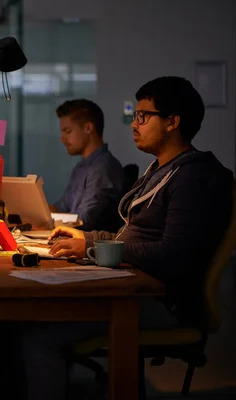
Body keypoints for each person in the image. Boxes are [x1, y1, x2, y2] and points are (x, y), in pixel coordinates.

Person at [23, 77, 233, 399]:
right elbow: (130, 234)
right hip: (130, 285)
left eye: (143, 116)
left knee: (38, 335)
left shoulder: (193, 176)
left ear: (172, 122)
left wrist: (92, 246)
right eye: (134, 116)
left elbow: (173, 253)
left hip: (157, 300)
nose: (134, 124)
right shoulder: (161, 169)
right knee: (34, 310)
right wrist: (86, 236)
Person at [50, 99, 124, 231]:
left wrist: (46, 219)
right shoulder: (81, 168)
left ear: (88, 128)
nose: (62, 139)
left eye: (67, 131)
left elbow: (84, 220)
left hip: (89, 245)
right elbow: (61, 207)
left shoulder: (104, 167)